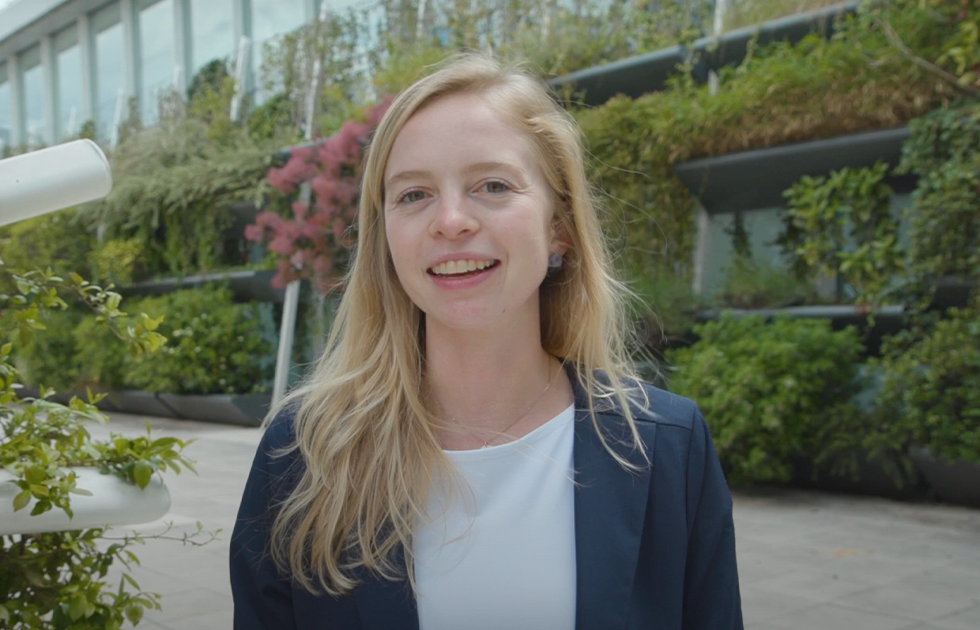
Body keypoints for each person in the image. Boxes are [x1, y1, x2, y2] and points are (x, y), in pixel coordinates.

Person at [230, 53, 743, 630]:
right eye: (413, 194)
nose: (450, 220)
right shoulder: (302, 454)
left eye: (492, 185)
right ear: (386, 239)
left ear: (560, 226)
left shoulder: (668, 449)